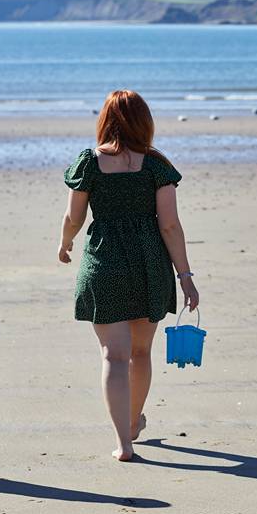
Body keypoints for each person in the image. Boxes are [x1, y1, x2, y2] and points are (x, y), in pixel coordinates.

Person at [59, 90, 199, 462]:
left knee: (114, 356)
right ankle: (134, 421)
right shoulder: (156, 166)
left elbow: (74, 217)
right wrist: (184, 275)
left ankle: (124, 442)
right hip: (149, 265)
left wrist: (65, 242)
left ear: (105, 120)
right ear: (144, 122)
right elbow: (169, 226)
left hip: (105, 262)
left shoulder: (89, 162)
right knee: (140, 353)